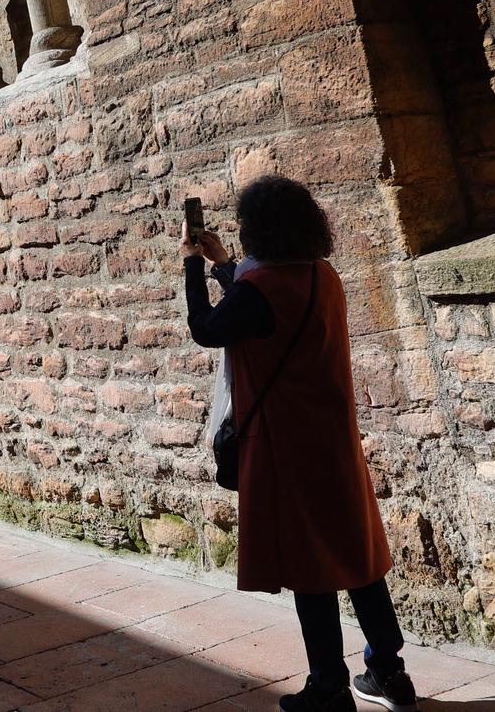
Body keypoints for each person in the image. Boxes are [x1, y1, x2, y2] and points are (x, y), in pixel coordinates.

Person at [182, 175, 417, 712]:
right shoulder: (323, 276)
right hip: (333, 441)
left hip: (286, 447)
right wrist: (225, 266)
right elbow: (262, 306)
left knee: (311, 571)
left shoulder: (258, 290)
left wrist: (193, 265)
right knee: (358, 559)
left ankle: (328, 687)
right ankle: (388, 671)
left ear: (259, 230)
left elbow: (207, 327)